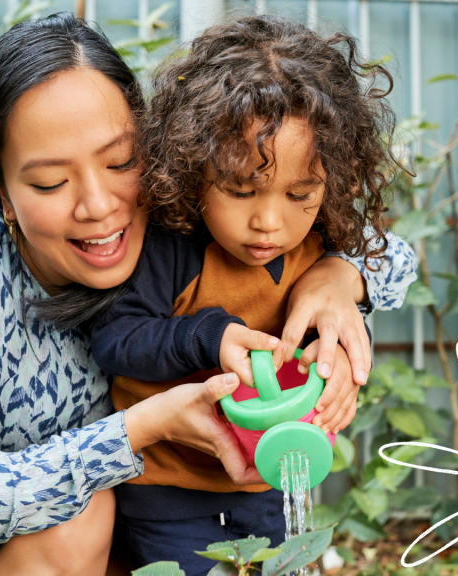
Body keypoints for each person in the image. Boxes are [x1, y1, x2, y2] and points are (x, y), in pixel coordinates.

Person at [0, 13, 418, 576]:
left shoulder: (192, 206)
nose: (98, 205)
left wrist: (337, 277)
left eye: (120, 161)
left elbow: (389, 256)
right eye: (49, 183)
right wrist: (143, 427)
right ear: (1, 193)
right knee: (81, 521)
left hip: (147, 521)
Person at [89, 15, 403, 573]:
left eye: (299, 193)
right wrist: (210, 337)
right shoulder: (175, 248)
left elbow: (392, 267)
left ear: (334, 180)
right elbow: (117, 339)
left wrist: (336, 376)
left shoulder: (323, 247)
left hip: (271, 479)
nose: (268, 222)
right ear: (192, 165)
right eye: (239, 189)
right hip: (171, 489)